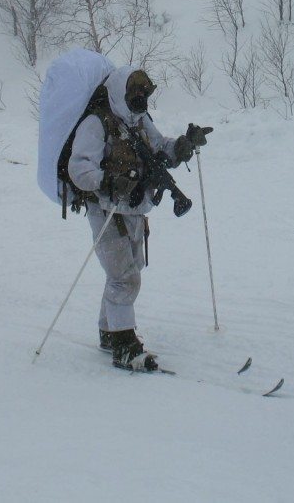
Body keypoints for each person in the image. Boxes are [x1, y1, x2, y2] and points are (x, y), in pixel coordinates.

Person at [67, 65, 211, 371]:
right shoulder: (96, 124)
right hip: (106, 209)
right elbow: (79, 167)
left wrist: (183, 145)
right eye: (134, 92)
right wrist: (106, 182)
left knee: (130, 270)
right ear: (120, 92)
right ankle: (123, 344)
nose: (140, 97)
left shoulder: (140, 121)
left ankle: (109, 331)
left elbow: (159, 149)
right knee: (124, 277)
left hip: (135, 208)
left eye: (144, 92)